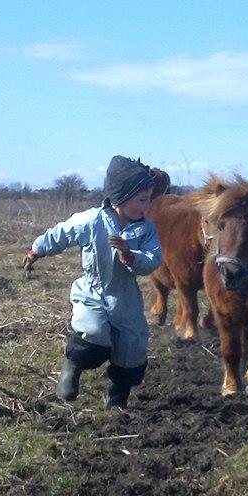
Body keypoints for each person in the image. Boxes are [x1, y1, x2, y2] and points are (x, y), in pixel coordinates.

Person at [23, 156, 162, 408]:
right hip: (93, 292)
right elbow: (62, 233)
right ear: (122, 197)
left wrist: (130, 256)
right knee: (94, 334)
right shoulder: (92, 220)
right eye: (142, 199)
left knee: (132, 349)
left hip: (126, 298)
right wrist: (37, 250)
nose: (147, 205)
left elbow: (153, 260)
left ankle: (117, 399)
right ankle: (72, 366)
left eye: (149, 199)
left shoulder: (147, 229)